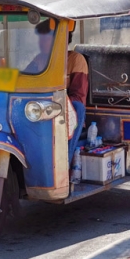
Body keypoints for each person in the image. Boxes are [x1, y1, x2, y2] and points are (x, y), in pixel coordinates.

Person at [28, 20, 88, 163]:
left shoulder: (75, 59)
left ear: (61, 39)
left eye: (45, 37)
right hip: (39, 110)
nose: (41, 42)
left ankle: (64, 162)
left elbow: (79, 97)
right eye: (40, 38)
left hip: (64, 113)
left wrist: (54, 103)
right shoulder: (39, 59)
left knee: (78, 108)